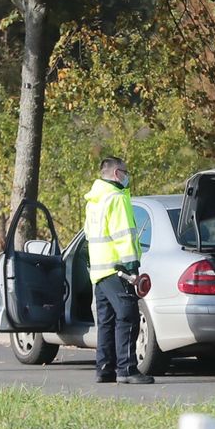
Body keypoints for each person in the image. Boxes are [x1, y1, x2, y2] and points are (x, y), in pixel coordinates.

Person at [83, 156, 153, 384]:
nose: (127, 175)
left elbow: (89, 235)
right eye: (125, 171)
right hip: (118, 268)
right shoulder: (117, 199)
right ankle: (127, 369)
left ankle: (104, 369)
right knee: (128, 315)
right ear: (116, 174)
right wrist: (132, 268)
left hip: (99, 270)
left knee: (106, 320)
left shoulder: (94, 200)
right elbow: (124, 236)